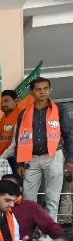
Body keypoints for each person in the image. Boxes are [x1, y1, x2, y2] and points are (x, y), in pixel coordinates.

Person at [15, 77, 73, 221]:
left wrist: (70, 160)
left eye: (45, 88)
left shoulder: (59, 109)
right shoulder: (24, 113)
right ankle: (29, 232)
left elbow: (69, 134)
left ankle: (49, 234)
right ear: (32, 93)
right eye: (38, 89)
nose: (43, 92)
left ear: (50, 90)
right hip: (30, 158)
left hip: (54, 155)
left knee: (52, 196)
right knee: (28, 198)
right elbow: (19, 138)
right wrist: (19, 162)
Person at [0, 89, 19, 170]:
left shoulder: (21, 116)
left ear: (15, 101)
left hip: (14, 158)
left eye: (6, 101)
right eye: (1, 102)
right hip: (1, 157)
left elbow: (16, 143)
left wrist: (1, 158)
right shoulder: (2, 119)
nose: (3, 104)